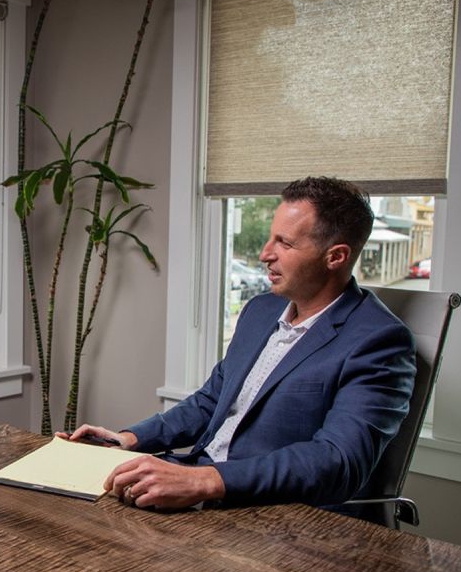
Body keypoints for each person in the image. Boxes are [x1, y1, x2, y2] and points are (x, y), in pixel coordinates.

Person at [63, 176, 416, 511]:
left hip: (267, 513)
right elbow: (212, 400)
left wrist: (203, 481)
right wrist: (127, 440)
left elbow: (339, 461)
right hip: (199, 489)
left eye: (285, 243)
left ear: (335, 256)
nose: (265, 254)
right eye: (270, 238)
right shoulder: (261, 311)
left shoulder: (379, 341)